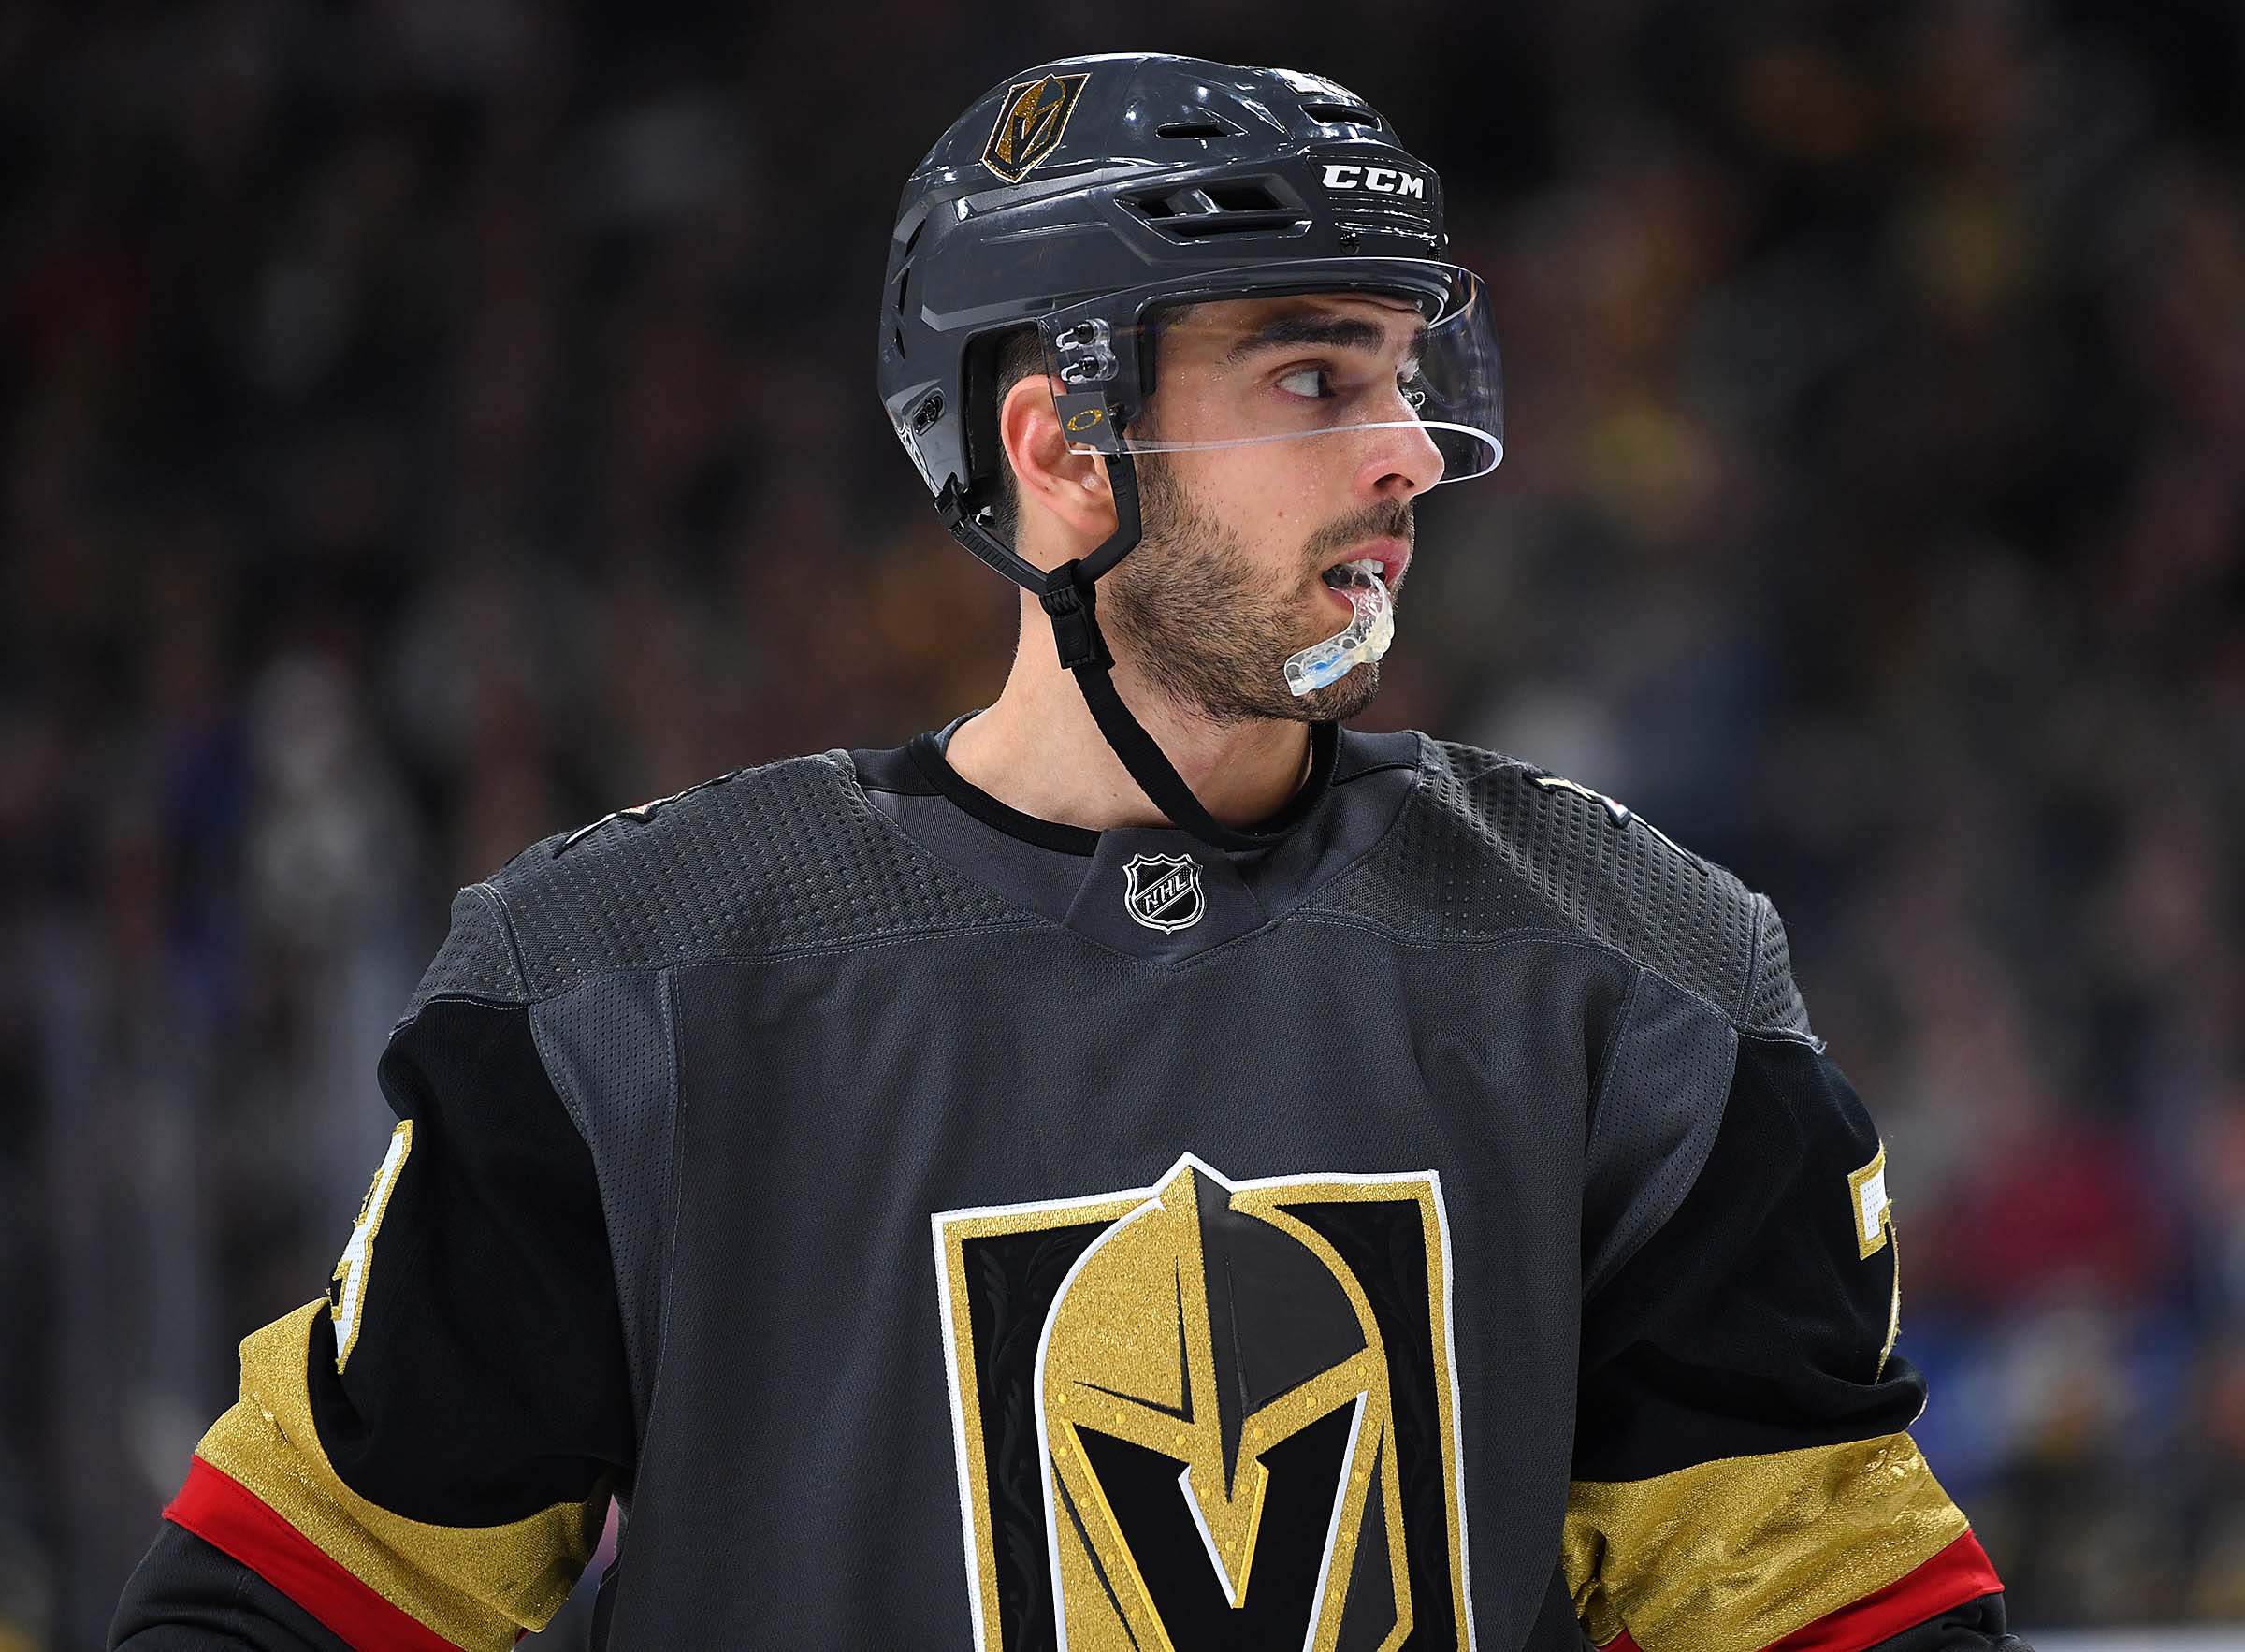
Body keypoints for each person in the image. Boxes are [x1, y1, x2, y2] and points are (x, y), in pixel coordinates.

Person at [110, 53, 2032, 1652]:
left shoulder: (1646, 974)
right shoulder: (623, 990)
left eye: (1404, 370)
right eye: (1310, 378)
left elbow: (1839, 1615)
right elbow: (284, 1602)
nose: (1409, 450)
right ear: (1059, 446)